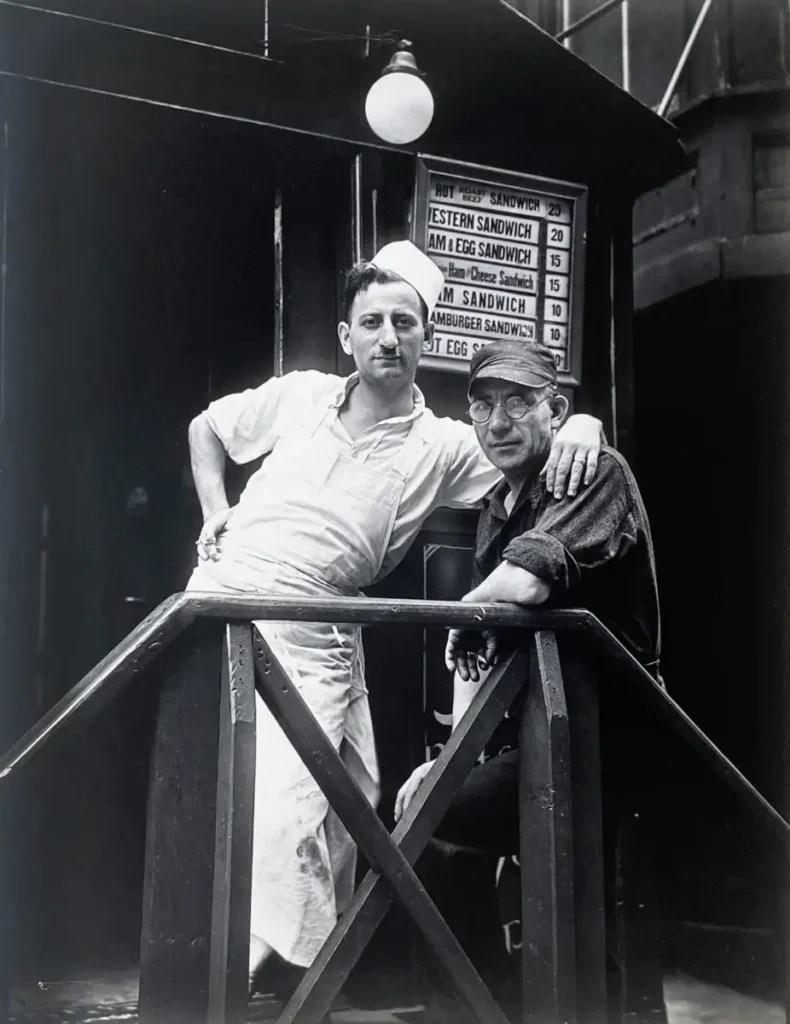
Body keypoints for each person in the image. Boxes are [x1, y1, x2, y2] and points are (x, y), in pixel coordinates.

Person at [185, 242, 604, 989]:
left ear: (424, 337)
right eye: (372, 322)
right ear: (345, 335)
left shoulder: (443, 443)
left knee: (345, 800)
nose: (388, 337)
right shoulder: (302, 394)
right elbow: (207, 430)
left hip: (319, 629)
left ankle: (290, 980)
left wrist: (586, 424)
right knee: (262, 804)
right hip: (227, 599)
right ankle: (238, 981)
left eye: (404, 323)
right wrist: (215, 510)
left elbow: (533, 448)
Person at [394, 339, 661, 1018]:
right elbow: (483, 660)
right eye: (483, 406)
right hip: (544, 738)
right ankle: (484, 1008)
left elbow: (527, 582)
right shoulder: (497, 505)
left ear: (556, 410)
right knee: (429, 816)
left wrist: (468, 611)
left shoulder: (592, 469)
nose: (499, 422)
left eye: (518, 402)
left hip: (612, 740)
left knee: (581, 910)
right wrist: (450, 762)